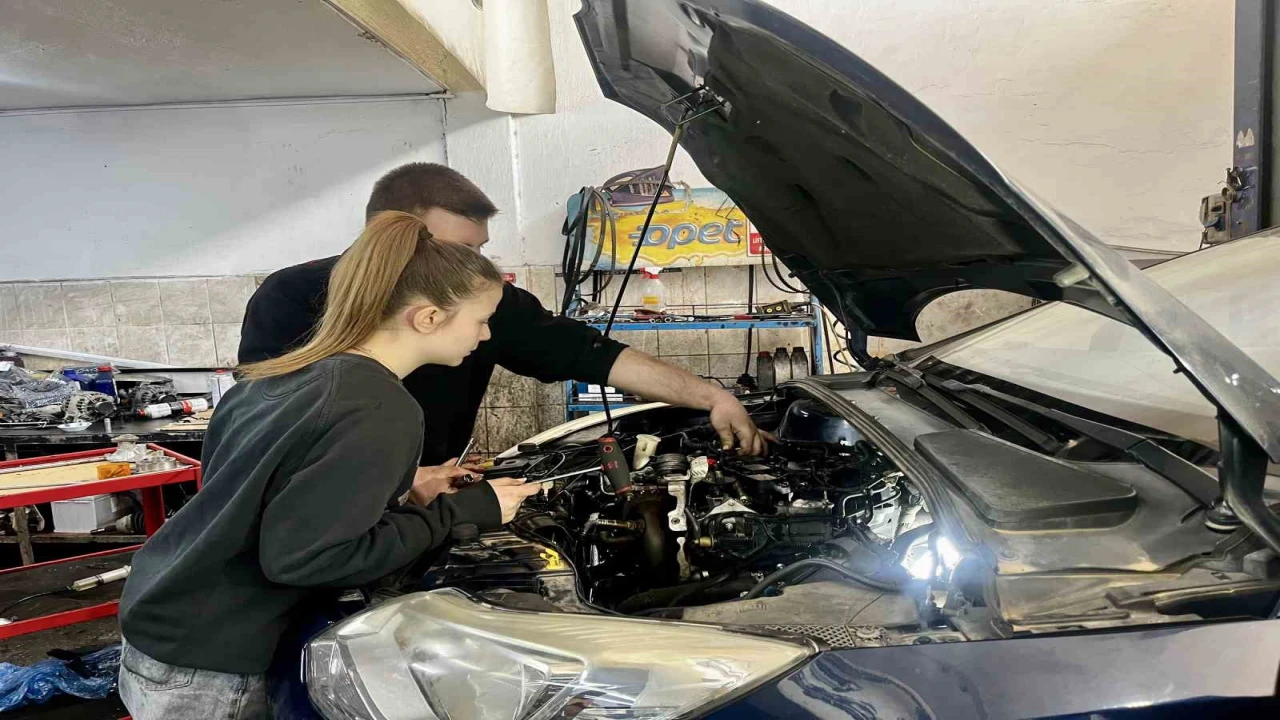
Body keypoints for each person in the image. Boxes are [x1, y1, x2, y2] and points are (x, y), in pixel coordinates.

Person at [117, 212, 541, 719]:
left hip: (165, 619)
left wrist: (404, 488)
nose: (487, 335)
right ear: (428, 318)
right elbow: (306, 560)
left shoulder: (290, 372)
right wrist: (462, 513)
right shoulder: (379, 405)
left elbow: (257, 490)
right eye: (481, 319)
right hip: (210, 666)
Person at [239, 163, 768, 495]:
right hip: (336, 511)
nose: (473, 267)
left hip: (431, 499)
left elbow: (586, 352)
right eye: (458, 250)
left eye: (479, 250)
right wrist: (397, 484)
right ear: (393, 232)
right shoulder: (291, 297)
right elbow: (267, 439)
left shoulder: (486, 302)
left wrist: (710, 396)